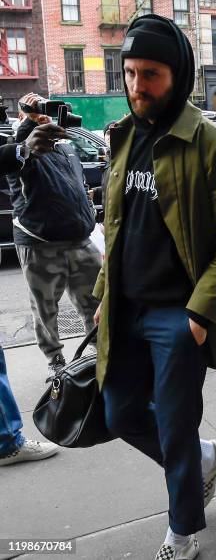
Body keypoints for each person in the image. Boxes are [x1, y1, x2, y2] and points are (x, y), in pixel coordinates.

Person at [92, 15, 216, 560]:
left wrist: (200, 316)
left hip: (179, 315)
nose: (138, 86)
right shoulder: (123, 138)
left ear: (178, 75)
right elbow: (118, 229)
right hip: (126, 309)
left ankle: (181, 534)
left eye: (152, 74)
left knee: (177, 425)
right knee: (118, 414)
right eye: (131, 73)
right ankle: (205, 460)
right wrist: (103, 297)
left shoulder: (215, 147)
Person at [7, 93, 101, 382]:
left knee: (96, 302)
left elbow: (78, 185)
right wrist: (28, 122)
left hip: (80, 239)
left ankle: (100, 350)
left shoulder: (66, 148)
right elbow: (17, 154)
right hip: (40, 243)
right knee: (45, 308)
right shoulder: (23, 148)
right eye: (39, 109)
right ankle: (55, 360)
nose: (45, 114)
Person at [0, 129, 63, 466]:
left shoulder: (65, 153)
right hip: (35, 239)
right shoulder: (22, 149)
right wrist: (23, 146)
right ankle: (6, 442)